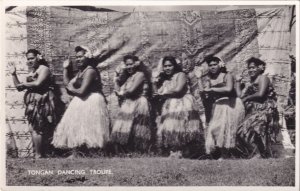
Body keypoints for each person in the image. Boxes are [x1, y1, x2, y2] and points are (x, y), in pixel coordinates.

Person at [52, 46, 110, 157]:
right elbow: (68, 84)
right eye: (76, 57)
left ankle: (94, 153)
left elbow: (82, 91)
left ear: (87, 57)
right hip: (81, 100)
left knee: (91, 126)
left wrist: (71, 89)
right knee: (76, 125)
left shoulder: (90, 71)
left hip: (92, 100)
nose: (78, 59)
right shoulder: (80, 72)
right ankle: (76, 153)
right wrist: (65, 69)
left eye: (80, 57)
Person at [8, 49, 62, 158]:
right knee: (33, 128)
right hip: (32, 104)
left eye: (32, 58)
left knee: (38, 128)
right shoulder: (32, 72)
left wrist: (24, 84)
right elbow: (19, 87)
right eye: (28, 59)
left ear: (38, 57)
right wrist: (13, 74)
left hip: (41, 102)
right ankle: (39, 154)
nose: (29, 61)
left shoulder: (44, 69)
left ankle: (39, 155)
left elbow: (38, 83)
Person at [153, 56, 204, 158]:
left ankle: (183, 152)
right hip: (170, 104)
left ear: (174, 66)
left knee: (181, 128)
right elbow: (156, 92)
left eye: (170, 66)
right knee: (170, 128)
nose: (167, 68)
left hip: (182, 103)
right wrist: (154, 81)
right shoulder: (166, 79)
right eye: (165, 66)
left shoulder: (181, 75)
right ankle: (174, 151)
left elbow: (178, 89)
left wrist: (162, 93)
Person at [236, 57, 279, 158]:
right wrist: (238, 83)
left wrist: (247, 98)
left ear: (260, 68)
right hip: (254, 110)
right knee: (241, 132)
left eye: (253, 67)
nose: (251, 70)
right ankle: (256, 154)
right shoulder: (250, 82)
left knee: (250, 130)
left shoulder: (263, 78)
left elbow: (260, 94)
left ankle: (258, 154)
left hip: (265, 109)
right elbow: (240, 96)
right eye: (249, 68)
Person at [203, 55, 245, 159]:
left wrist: (212, 90)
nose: (212, 67)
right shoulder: (209, 79)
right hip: (219, 105)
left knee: (227, 129)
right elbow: (205, 93)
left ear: (220, 65)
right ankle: (222, 153)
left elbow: (228, 89)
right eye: (210, 65)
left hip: (231, 103)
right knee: (216, 129)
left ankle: (226, 154)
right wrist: (199, 79)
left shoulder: (227, 75)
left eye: (215, 64)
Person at [110, 55, 152, 154]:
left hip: (139, 102)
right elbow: (117, 89)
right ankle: (124, 151)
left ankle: (139, 151)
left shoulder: (140, 74)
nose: (129, 67)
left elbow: (131, 90)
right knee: (123, 127)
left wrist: (122, 93)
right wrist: (116, 78)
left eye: (131, 64)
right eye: (127, 64)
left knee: (138, 128)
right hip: (129, 102)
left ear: (136, 64)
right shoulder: (128, 77)